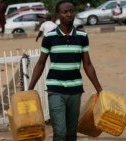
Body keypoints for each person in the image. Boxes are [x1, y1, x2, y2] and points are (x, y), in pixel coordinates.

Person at [28, 0, 102, 141]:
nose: (69, 14)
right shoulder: (49, 37)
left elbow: (87, 65)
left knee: (71, 134)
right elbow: (40, 63)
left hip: (75, 91)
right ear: (58, 15)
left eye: (71, 11)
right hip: (55, 90)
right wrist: (29, 89)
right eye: (65, 11)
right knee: (60, 132)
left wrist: (100, 90)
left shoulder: (82, 37)